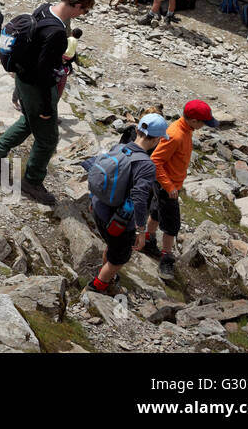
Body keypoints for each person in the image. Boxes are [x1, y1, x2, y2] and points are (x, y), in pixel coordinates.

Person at [0, 0, 95, 205]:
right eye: (83, 10)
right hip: (37, 87)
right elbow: (45, 73)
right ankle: (32, 181)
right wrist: (47, 108)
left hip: (23, 79)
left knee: (28, 121)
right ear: (76, 5)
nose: (82, 14)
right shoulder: (56, 33)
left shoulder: (44, 8)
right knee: (48, 139)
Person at [84, 115, 168, 294]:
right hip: (118, 220)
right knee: (120, 258)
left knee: (112, 245)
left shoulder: (119, 148)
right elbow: (139, 198)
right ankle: (97, 287)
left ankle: (107, 274)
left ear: (137, 131)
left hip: (99, 207)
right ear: (156, 140)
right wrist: (140, 230)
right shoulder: (146, 164)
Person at [142, 100, 218, 280]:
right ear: (193, 120)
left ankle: (148, 239)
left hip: (168, 183)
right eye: (202, 123)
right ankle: (166, 258)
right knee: (172, 226)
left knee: (156, 212)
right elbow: (155, 161)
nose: (203, 127)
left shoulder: (186, 129)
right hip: (167, 186)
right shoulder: (176, 134)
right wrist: (169, 186)